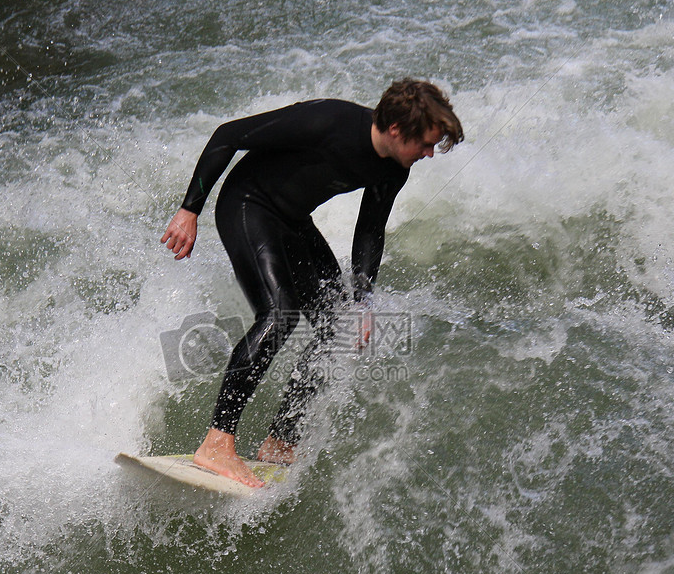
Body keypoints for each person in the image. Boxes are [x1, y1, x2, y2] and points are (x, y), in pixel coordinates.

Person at [160, 79, 463, 487]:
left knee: (338, 327)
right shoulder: (328, 121)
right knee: (279, 313)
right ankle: (216, 442)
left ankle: (280, 440)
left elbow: (371, 229)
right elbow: (228, 135)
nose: (429, 153)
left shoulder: (395, 167)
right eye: (426, 144)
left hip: (293, 222)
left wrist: (364, 302)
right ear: (396, 130)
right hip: (248, 206)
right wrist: (189, 210)